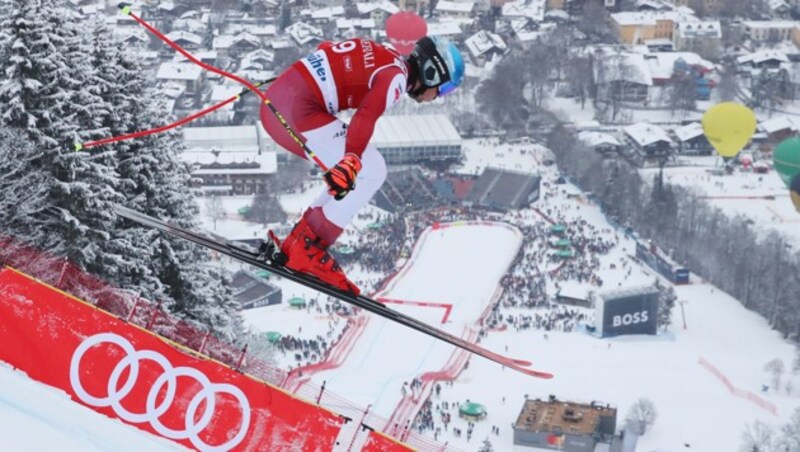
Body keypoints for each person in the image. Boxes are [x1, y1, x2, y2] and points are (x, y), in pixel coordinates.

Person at [260, 36, 465, 295]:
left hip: (282, 102)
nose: (438, 97)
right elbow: (366, 114)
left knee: (357, 174)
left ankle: (298, 243)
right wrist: (352, 158)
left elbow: (330, 50)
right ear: (431, 72)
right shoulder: (396, 78)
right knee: (372, 170)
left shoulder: (387, 56)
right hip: (294, 113)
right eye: (444, 89)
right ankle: (308, 249)